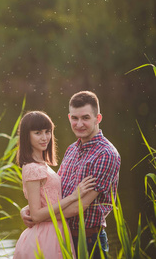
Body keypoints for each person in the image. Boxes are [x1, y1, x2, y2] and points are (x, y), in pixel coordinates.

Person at [20, 91, 121, 259]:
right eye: (75, 118)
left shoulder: (106, 155)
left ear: (98, 118)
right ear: (69, 118)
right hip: (60, 235)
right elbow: (52, 192)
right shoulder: (72, 149)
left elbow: (78, 207)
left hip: (88, 239)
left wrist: (37, 217)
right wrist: (28, 209)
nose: (79, 124)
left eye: (85, 118)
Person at [13, 111, 96, 259]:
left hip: (56, 231)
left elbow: (42, 201)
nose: (45, 138)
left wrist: (26, 208)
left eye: (47, 132)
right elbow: (37, 215)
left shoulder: (42, 164)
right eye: (38, 133)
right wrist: (73, 197)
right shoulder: (32, 168)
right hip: (45, 237)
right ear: (27, 135)